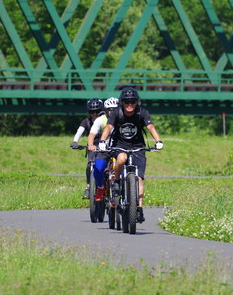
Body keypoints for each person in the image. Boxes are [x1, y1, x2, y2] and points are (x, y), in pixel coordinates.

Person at [98, 87, 163, 224]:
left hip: (138, 146)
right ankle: (116, 182)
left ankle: (139, 208)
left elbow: (150, 127)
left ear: (137, 102)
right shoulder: (116, 112)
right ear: (122, 102)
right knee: (121, 158)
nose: (129, 105)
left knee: (139, 178)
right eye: (126, 102)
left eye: (132, 102)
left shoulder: (142, 112)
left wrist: (158, 141)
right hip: (120, 144)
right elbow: (108, 127)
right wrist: (103, 141)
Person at [70, 98, 104, 199]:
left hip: (105, 146)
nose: (94, 114)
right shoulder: (86, 121)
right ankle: (89, 186)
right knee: (90, 165)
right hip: (92, 146)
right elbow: (79, 131)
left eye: (97, 111)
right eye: (92, 112)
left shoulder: (105, 120)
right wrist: (75, 141)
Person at [87, 97, 118, 200]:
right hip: (104, 150)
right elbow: (92, 134)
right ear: (106, 110)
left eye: (115, 109)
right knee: (98, 167)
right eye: (110, 109)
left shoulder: (123, 118)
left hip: (119, 149)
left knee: (123, 171)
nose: (112, 111)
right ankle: (100, 187)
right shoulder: (101, 120)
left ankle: (122, 191)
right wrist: (91, 144)